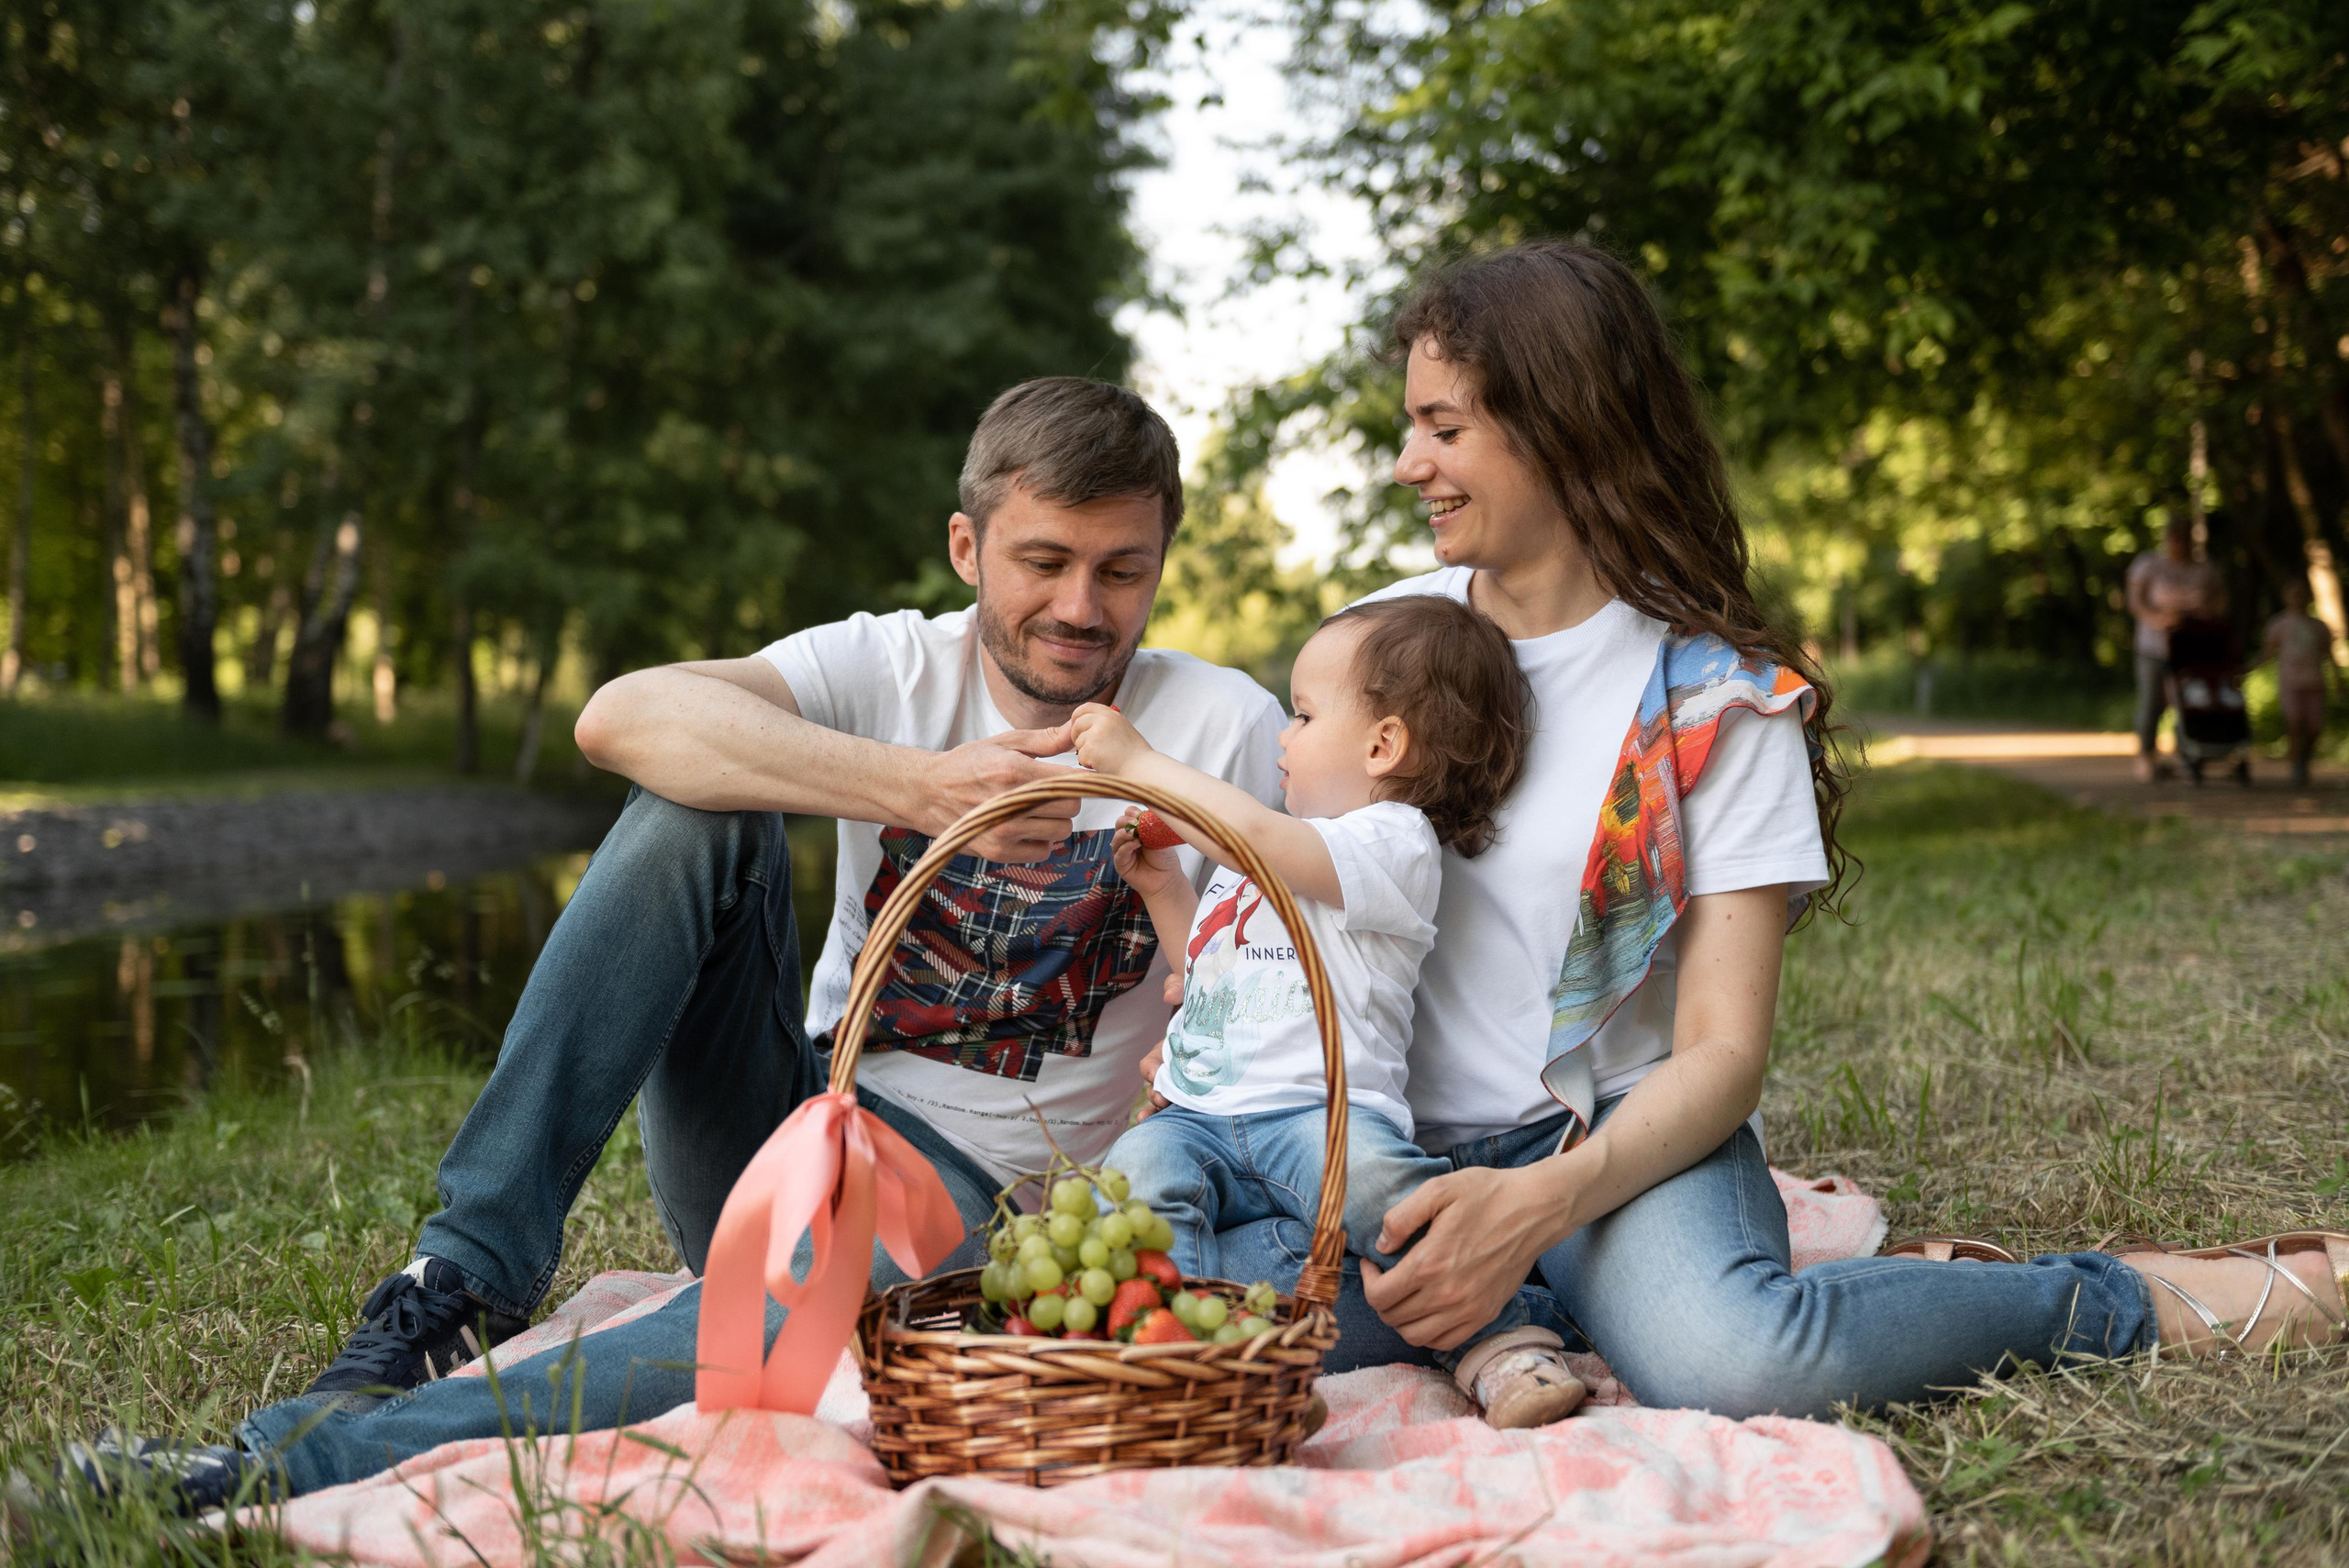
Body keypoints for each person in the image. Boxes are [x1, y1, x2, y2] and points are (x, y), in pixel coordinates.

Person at [22, 376, 1329, 1514]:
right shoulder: (889, 666)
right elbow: (620, 716)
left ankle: (272, 1468)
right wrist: (919, 791)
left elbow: (1337, 941)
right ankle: (462, 1280)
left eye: (1121, 569)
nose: (1081, 607)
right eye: (1043, 560)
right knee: (691, 809)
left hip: (980, 1206)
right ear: (966, 548)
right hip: (792, 1118)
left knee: (727, 1338)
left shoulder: (1210, 725)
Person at [1282, 239, 2344, 1419]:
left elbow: (1721, 1055)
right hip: (1395, 1156)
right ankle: (1570, 1293)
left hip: (1614, 1138)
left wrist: (1542, 1202)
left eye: (1442, 428)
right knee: (1187, 1298)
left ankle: (2121, 1299)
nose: (1404, 463)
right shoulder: (1378, 647)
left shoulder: (1713, 696)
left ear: (1557, 422)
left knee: (1739, 1360)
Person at [1071, 595, 1586, 1429]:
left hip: (1320, 1116)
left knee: (1384, 1190)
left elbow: (1267, 845)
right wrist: (1166, 888)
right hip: (1198, 1116)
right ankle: (1193, 1371)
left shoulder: (1390, 844)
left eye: (1305, 714)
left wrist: (1144, 764)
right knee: (1134, 1181)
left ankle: (1500, 1338)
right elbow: (1207, 974)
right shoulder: (1250, 866)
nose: (1284, 732)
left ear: (1384, 744)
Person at [2125, 515, 2225, 783]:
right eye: (2174, 536)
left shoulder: (2204, 570)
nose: (2179, 542)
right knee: (2151, 703)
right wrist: (2157, 618)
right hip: (2153, 646)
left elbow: (2220, 603)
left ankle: (2189, 754)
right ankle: (2147, 756)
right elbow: (2135, 602)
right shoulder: (2149, 565)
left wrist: (2202, 614)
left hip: (2192, 649)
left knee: (2190, 703)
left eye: (2184, 537)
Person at [2254, 578, 2337, 787]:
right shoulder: (2279, 624)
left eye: (2301, 592)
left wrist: (2338, 680)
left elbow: (2329, 655)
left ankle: (2305, 758)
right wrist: (2248, 672)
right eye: (2293, 592)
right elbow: (2268, 653)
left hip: (2315, 682)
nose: (2297, 597)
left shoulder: (2319, 627)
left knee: (2314, 727)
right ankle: (2296, 766)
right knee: (2294, 722)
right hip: (2290, 682)